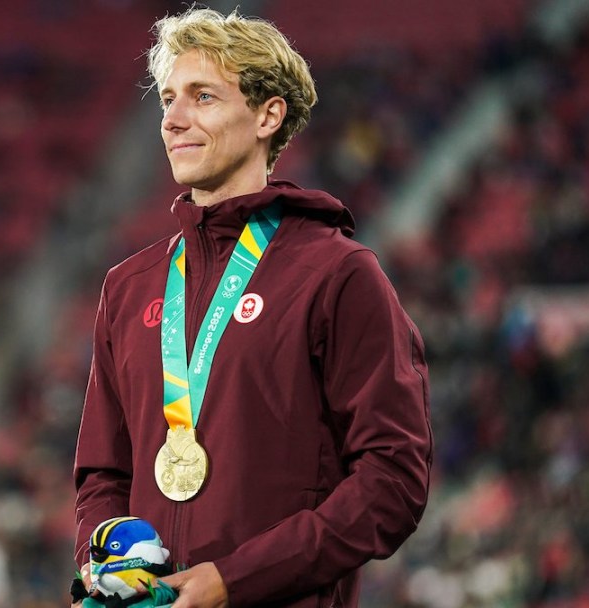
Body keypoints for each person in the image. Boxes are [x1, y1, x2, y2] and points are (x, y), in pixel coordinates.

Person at [72, 7, 432, 608]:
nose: (173, 120)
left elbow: (392, 482)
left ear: (268, 115)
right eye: (168, 99)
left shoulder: (337, 274)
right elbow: (103, 475)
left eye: (203, 96)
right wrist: (103, 566)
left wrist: (233, 581)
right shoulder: (128, 286)